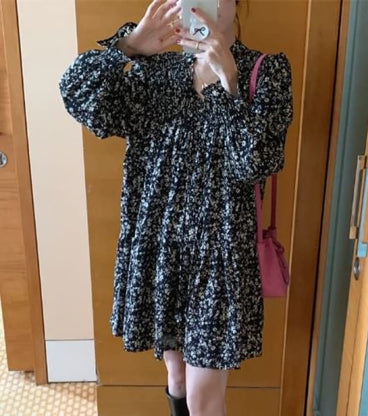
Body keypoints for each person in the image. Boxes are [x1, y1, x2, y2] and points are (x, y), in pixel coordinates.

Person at [59, 0, 293, 414]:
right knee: (178, 378)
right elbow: (78, 94)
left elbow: (255, 162)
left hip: (221, 259)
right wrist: (130, 46)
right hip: (161, 251)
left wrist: (226, 83)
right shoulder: (156, 72)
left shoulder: (266, 71)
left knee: (204, 398)